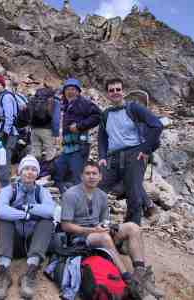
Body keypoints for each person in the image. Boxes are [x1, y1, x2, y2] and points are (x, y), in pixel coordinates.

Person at [60, 161, 164, 299]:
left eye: (94, 173)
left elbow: (104, 220)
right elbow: (65, 225)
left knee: (133, 227)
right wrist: (91, 230)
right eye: (87, 173)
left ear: (100, 177)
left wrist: (108, 226)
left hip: (99, 232)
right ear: (81, 176)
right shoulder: (71, 194)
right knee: (104, 237)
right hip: (80, 236)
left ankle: (140, 274)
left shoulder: (102, 195)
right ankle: (128, 280)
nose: (91, 176)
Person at [98, 78, 163, 225]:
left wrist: (145, 149)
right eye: (111, 90)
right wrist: (102, 156)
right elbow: (102, 136)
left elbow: (157, 125)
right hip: (113, 156)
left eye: (118, 89)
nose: (115, 92)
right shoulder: (106, 114)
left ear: (123, 91)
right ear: (107, 94)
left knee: (133, 192)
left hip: (134, 153)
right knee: (99, 186)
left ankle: (132, 228)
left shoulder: (133, 108)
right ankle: (98, 221)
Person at [0, 155, 55, 300]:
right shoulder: (10, 189)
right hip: (14, 245)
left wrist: (28, 208)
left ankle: (30, 272)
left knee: (47, 221)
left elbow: (51, 211)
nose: (29, 172)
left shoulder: (42, 191)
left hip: (33, 244)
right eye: (26, 169)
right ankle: (3, 272)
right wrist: (25, 215)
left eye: (34, 169)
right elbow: (0, 210)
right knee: (4, 220)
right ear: (20, 172)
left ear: (37, 173)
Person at [52, 78, 101, 193]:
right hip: (67, 147)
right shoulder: (66, 104)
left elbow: (98, 116)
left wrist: (80, 126)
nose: (70, 91)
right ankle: (66, 195)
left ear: (78, 91)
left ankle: (82, 203)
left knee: (77, 176)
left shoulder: (84, 103)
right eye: (67, 89)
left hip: (80, 147)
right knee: (58, 172)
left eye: (73, 89)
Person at [0, 74, 19, 188]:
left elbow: (9, 117)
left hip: (7, 134)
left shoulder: (6, 97)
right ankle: (7, 186)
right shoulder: (2, 97)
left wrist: (5, 132)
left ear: (3, 85)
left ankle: (6, 189)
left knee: (3, 162)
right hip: (0, 134)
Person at [29, 87, 60, 176]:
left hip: (34, 129)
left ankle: (35, 173)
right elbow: (56, 119)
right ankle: (48, 174)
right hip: (47, 130)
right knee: (50, 153)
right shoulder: (55, 102)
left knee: (35, 152)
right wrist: (56, 134)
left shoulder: (34, 99)